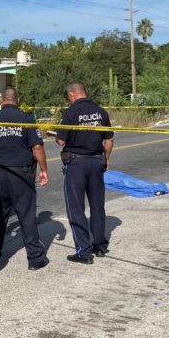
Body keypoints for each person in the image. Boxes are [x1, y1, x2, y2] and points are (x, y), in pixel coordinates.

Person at [0, 87, 50, 271]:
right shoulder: (26, 119)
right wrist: (44, 169)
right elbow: (38, 147)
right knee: (27, 217)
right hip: (21, 176)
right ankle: (35, 259)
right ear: (19, 99)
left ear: (1, 100)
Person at [55, 81, 114, 265]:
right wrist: (106, 159)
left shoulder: (70, 113)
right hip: (97, 161)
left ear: (72, 95)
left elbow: (60, 141)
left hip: (76, 164)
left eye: (68, 97)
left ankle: (84, 252)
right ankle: (100, 246)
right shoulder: (101, 111)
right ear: (85, 92)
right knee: (97, 206)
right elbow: (109, 139)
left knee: (76, 208)